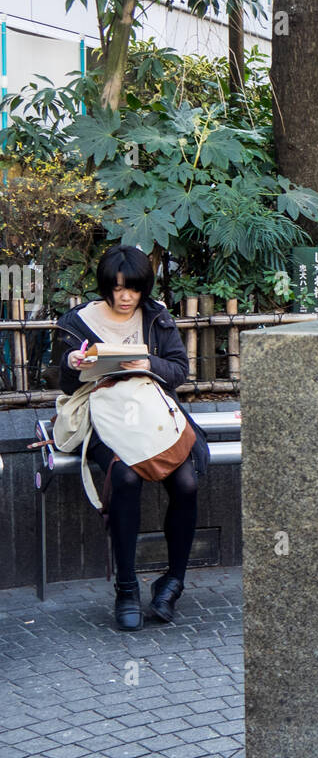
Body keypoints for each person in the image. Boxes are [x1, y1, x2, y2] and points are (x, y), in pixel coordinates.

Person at [56, 246, 209, 631]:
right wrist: (73, 363)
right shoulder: (78, 321)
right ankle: (126, 588)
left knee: (187, 483)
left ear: (144, 289)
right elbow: (58, 380)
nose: (126, 297)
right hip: (103, 416)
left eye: (134, 289)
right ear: (105, 286)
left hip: (153, 415)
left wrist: (147, 364)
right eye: (118, 289)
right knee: (124, 477)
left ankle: (172, 582)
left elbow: (178, 370)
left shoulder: (155, 316)